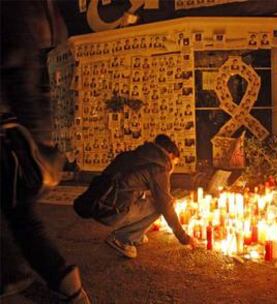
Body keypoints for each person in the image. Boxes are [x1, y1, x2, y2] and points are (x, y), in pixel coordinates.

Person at [1, 1, 90, 302]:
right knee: (21, 214)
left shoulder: (13, 12)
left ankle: (31, 280)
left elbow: (16, 68)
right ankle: (57, 281)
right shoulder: (41, 13)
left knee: (20, 214)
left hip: (13, 132)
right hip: (26, 129)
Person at [80, 134, 198, 259]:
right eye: (175, 163)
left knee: (151, 198)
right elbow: (165, 205)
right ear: (170, 155)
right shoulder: (158, 168)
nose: (172, 168)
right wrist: (184, 237)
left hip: (96, 205)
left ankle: (136, 235)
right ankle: (122, 239)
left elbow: (125, 184)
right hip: (111, 211)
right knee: (162, 205)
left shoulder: (130, 156)